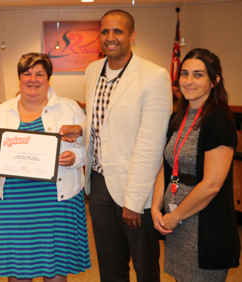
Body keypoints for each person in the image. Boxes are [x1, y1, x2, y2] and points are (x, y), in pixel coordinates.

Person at [60, 10, 172, 281]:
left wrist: (134, 201)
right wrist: (82, 129)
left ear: (132, 36)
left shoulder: (154, 76)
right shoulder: (92, 70)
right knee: (110, 265)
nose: (110, 38)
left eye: (118, 31)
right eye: (105, 32)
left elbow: (151, 144)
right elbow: (103, 122)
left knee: (144, 266)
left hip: (136, 187)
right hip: (98, 184)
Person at [0, 52, 91, 282]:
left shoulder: (70, 109)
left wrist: (75, 157)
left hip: (58, 200)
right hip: (13, 202)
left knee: (56, 266)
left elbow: (88, 147)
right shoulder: (2, 111)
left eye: (40, 73)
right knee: (18, 268)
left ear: (49, 78)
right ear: (19, 78)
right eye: (27, 73)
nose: (33, 79)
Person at [151, 48, 241, 281]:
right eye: (184, 74)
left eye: (198, 75)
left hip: (203, 225)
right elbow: (167, 164)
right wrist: (155, 207)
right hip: (176, 222)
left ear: (215, 80)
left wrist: (175, 216)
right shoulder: (180, 116)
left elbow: (212, 184)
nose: (188, 81)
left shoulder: (219, 120)